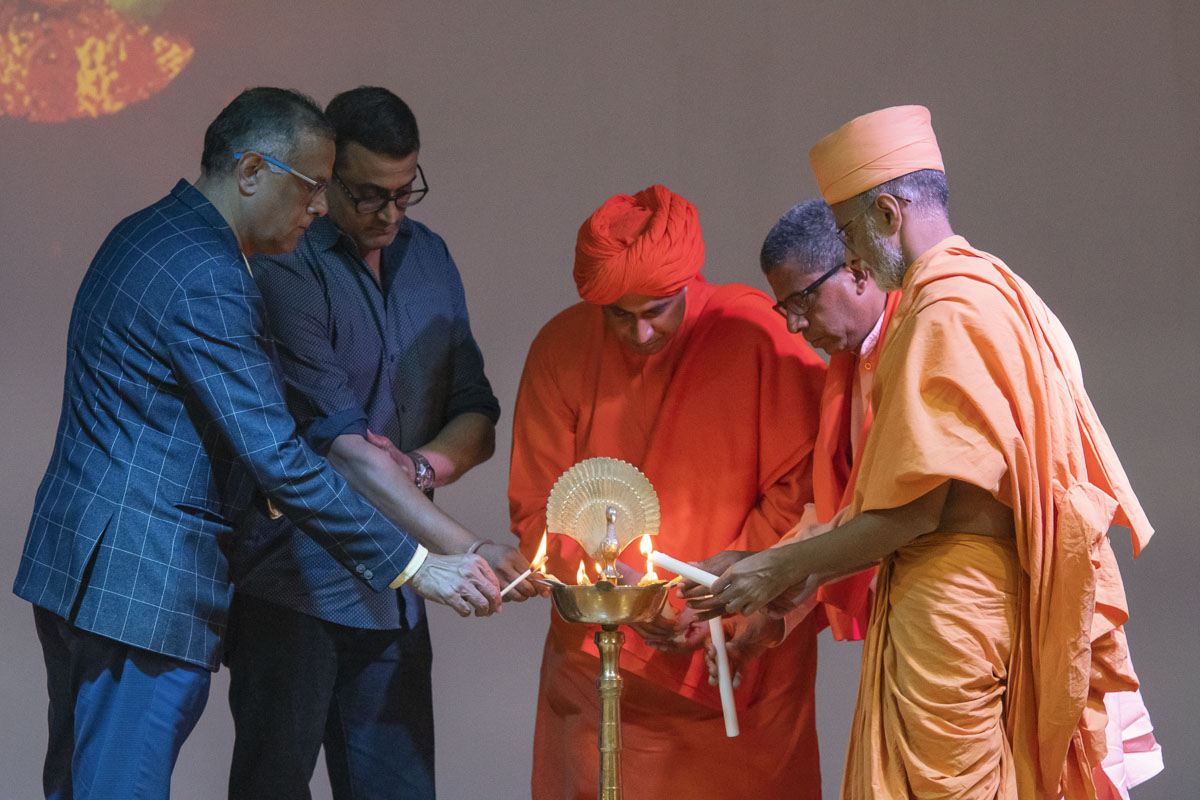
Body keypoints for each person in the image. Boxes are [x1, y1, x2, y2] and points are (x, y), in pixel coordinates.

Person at [13, 87, 500, 800]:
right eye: (310, 188)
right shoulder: (212, 276)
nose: (316, 209)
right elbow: (278, 456)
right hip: (140, 590)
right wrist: (416, 566)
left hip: (84, 572)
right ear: (250, 172)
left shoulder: (145, 233)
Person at [691, 105, 1155, 799]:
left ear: (886, 213)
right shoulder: (1000, 291)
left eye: (849, 232)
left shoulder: (944, 309)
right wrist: (777, 564)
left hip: (954, 612)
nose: (852, 258)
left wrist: (774, 569)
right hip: (977, 601)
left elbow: (915, 511)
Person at [226, 86, 532, 800]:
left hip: (395, 590)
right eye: (370, 195)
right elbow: (343, 447)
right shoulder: (287, 262)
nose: (392, 214)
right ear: (325, 175)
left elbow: (475, 413)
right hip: (293, 583)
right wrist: (469, 549)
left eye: (406, 192)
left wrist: (424, 465)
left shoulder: (429, 258)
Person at [508, 185, 829, 799]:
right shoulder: (561, 347)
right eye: (618, 314)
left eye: (658, 308)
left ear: (688, 282)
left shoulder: (755, 329)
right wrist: (621, 590)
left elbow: (805, 496)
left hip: (739, 652)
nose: (642, 331)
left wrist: (727, 598)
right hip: (606, 665)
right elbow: (537, 509)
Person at [705, 199, 901, 679]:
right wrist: (766, 576)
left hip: (964, 612)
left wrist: (776, 565)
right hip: (905, 618)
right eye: (784, 307)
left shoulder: (922, 338)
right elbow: (851, 511)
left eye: (801, 301)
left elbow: (907, 512)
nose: (792, 325)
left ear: (857, 272)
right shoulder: (853, 363)